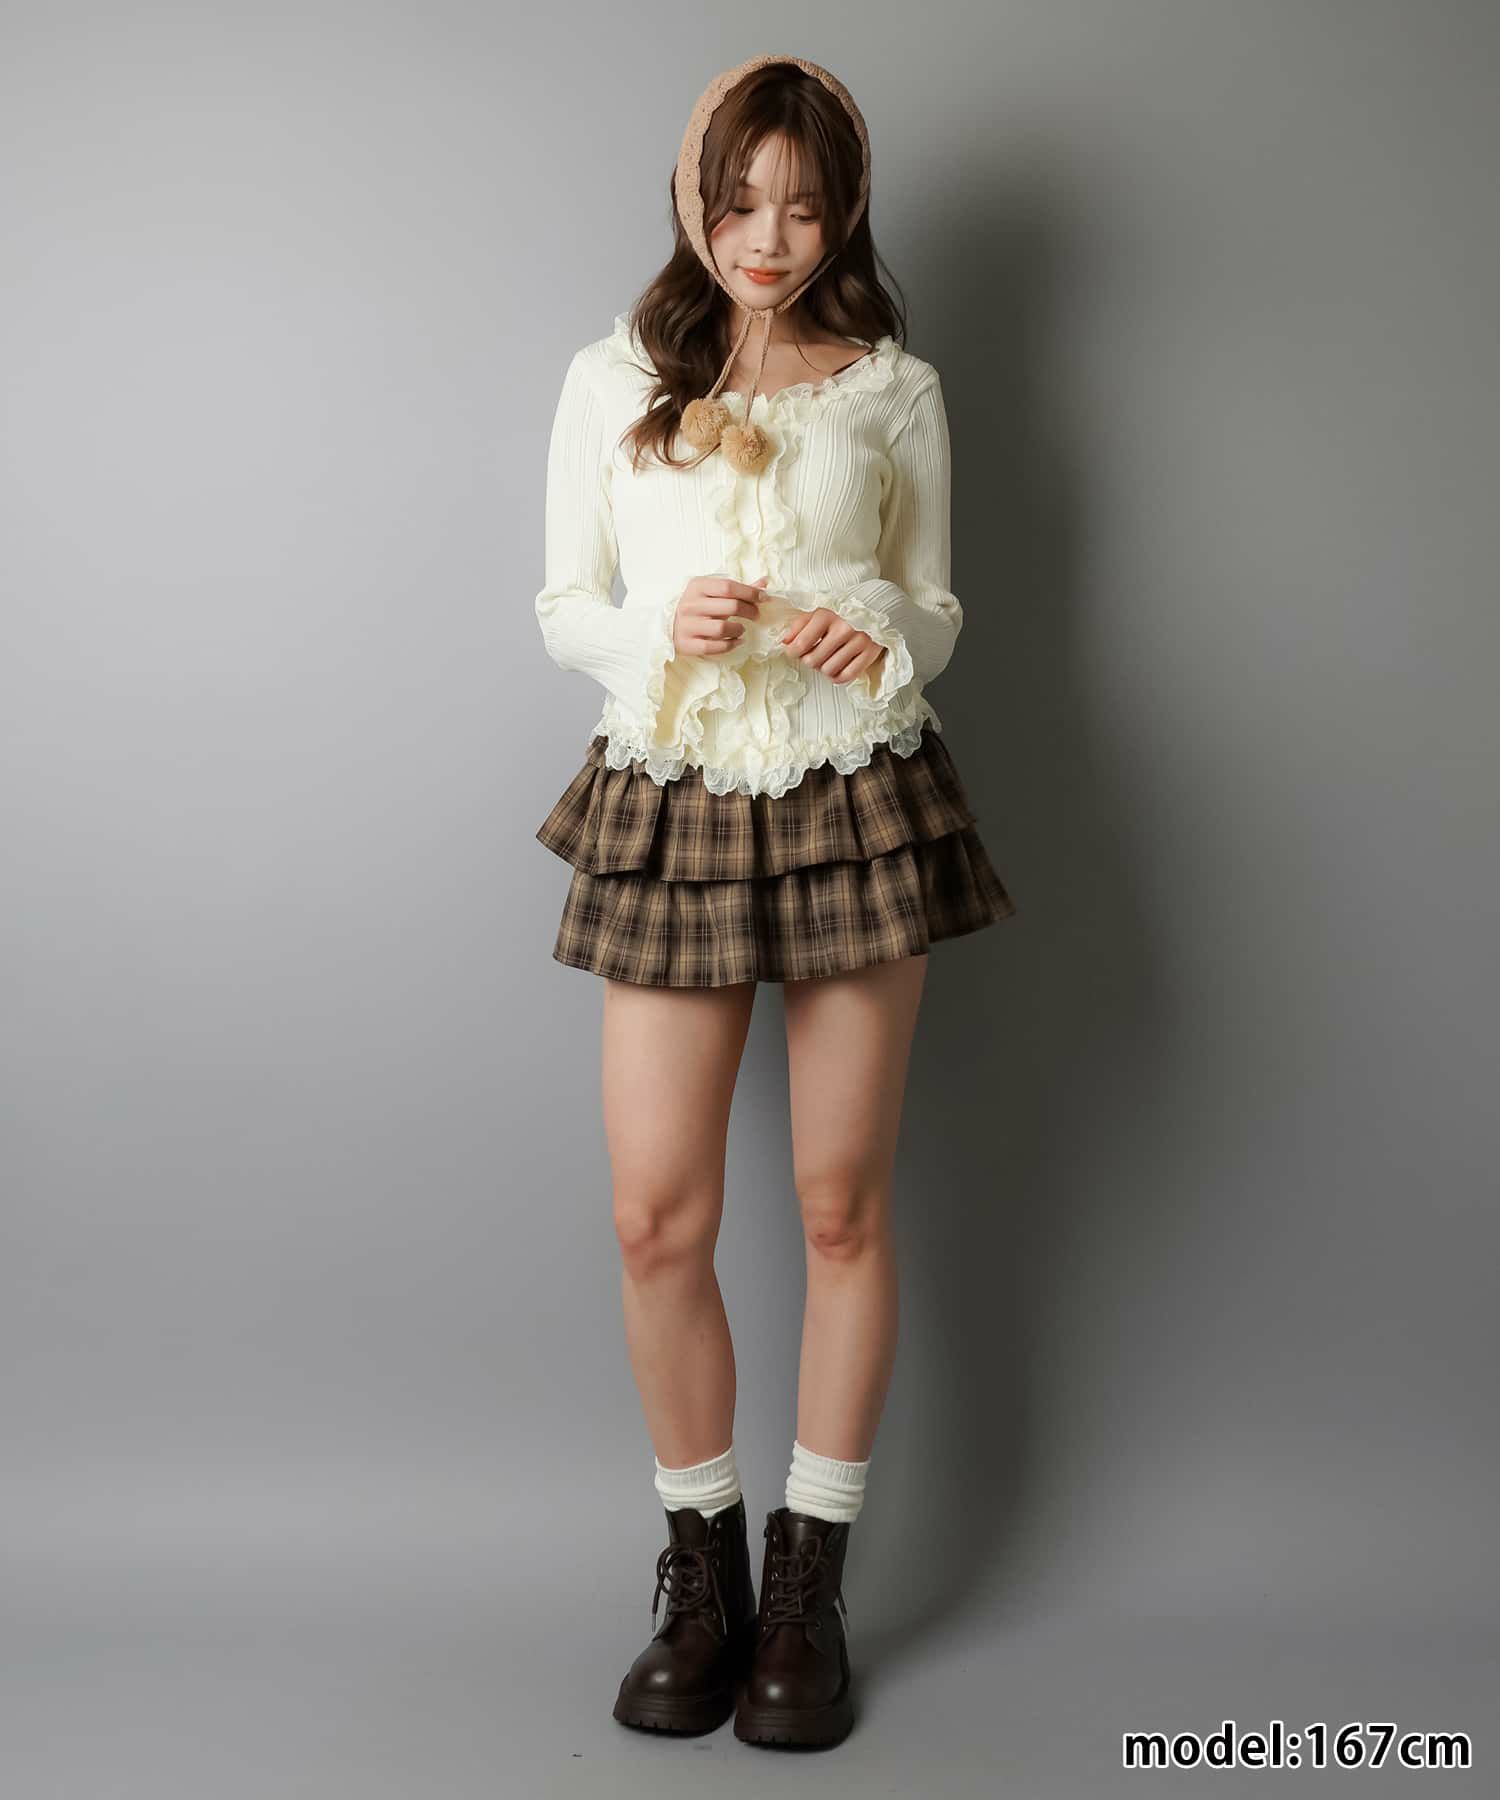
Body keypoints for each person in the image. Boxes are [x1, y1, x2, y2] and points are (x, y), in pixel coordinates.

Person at [532, 53, 1018, 1749]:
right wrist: (645, 632)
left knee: (838, 1209)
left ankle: (810, 1586)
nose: (767, 236)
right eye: (738, 199)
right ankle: (706, 1576)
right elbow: (564, 604)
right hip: (675, 792)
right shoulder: (611, 376)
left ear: (845, 213)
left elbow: (937, 606)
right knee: (654, 1217)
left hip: (853, 796)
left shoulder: (895, 389)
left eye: (805, 207)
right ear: (692, 193)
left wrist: (873, 634)